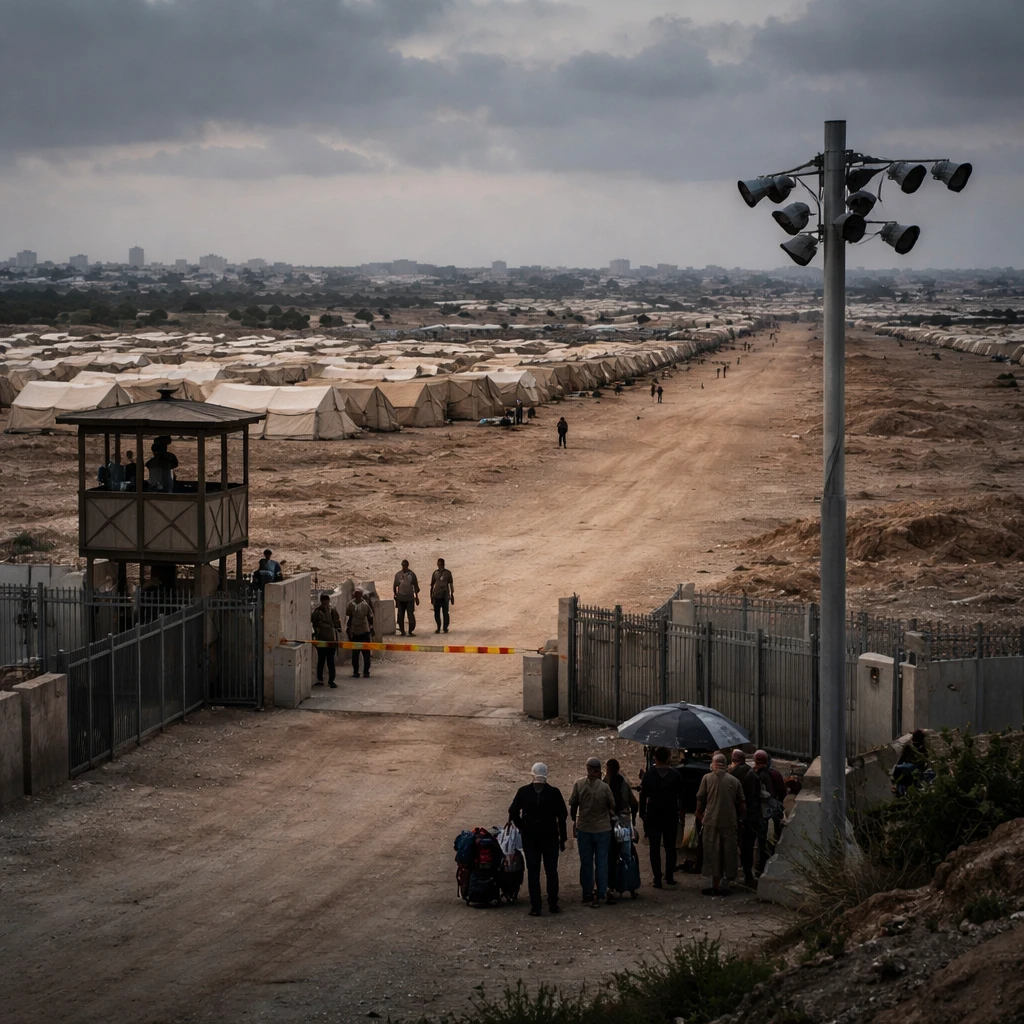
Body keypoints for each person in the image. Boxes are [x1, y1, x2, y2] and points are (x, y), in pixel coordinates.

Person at [508, 762, 568, 917]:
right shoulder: (554, 793)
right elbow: (562, 815)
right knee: (551, 871)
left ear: (532, 774)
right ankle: (553, 904)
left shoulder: (523, 792)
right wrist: (563, 837)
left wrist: (522, 826)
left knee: (533, 872)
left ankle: (536, 906)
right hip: (550, 838)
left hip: (530, 838)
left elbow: (513, 811)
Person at [569, 757, 616, 907]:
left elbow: (573, 804)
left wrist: (575, 822)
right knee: (601, 862)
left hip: (584, 828)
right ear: (599, 770)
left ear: (587, 768)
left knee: (586, 862)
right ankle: (601, 892)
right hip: (602, 830)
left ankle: (587, 893)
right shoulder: (605, 787)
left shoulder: (579, 784)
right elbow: (612, 805)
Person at [696, 752, 745, 896]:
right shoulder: (735, 781)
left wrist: (700, 815)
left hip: (711, 821)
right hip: (729, 821)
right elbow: (742, 804)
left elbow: (700, 799)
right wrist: (741, 819)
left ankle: (715, 884)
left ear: (714, 763)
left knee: (712, 852)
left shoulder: (706, 778)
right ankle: (726, 881)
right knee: (728, 852)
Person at [639, 746, 684, 888]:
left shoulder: (649, 775)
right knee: (670, 847)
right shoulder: (675, 775)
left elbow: (643, 796)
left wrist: (642, 814)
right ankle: (669, 876)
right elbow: (682, 796)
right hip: (670, 814)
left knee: (654, 847)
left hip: (653, 815)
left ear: (655, 758)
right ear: (668, 758)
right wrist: (681, 813)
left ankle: (657, 878)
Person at [728, 749, 764, 888]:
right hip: (750, 815)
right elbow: (757, 795)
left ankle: (731, 874)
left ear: (733, 760)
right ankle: (748, 875)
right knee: (748, 846)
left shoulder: (730, 774)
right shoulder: (752, 774)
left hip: (734, 815)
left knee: (732, 844)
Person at [604, 758, 638, 892]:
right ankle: (630, 885)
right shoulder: (624, 784)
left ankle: (610, 886)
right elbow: (634, 805)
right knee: (627, 855)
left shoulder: (603, 784)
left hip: (607, 825)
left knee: (608, 856)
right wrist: (633, 821)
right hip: (623, 824)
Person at [753, 749, 787, 867]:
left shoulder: (754, 774)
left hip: (761, 809)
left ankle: (761, 862)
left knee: (761, 836)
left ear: (755, 760)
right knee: (777, 832)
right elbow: (782, 790)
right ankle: (776, 855)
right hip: (775, 806)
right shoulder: (775, 774)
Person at [311, 592, 341, 688]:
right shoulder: (317, 611)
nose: (325, 603)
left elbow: (337, 622)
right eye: (324, 601)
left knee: (330, 662)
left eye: (326, 601)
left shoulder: (332, 611)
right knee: (321, 661)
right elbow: (314, 623)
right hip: (322, 639)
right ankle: (320, 679)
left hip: (331, 640)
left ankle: (331, 680)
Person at [345, 587, 374, 678]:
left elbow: (370, 616)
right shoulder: (353, 605)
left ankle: (364, 671)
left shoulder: (363, 605)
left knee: (363, 654)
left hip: (363, 631)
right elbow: (349, 618)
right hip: (358, 631)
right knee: (357, 654)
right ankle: (358, 671)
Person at [393, 559, 420, 636]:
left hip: (410, 598)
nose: (404, 566)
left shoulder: (412, 575)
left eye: (405, 565)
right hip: (400, 598)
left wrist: (417, 597)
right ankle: (402, 631)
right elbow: (395, 586)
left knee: (410, 615)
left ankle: (410, 631)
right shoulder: (398, 575)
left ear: (407, 565)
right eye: (403, 565)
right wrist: (395, 595)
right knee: (400, 615)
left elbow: (415, 586)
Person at [430, 558, 454, 634]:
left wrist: (452, 595)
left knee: (445, 612)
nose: (439, 565)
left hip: (445, 595)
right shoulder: (435, 573)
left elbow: (451, 584)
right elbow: (432, 585)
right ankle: (438, 627)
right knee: (436, 613)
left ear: (443, 564)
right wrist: (431, 595)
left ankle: (445, 628)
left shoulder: (448, 573)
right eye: (438, 563)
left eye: (440, 563)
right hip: (436, 595)